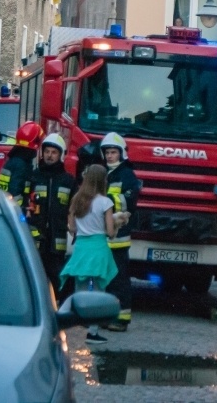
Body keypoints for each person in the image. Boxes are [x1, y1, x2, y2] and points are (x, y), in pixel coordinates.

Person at [59, 164, 119, 345]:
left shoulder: (77, 199)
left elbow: (72, 228)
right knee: (99, 291)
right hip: (99, 248)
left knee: (81, 289)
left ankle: (76, 325)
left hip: (82, 248)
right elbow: (110, 232)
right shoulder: (105, 202)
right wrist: (117, 224)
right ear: (102, 181)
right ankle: (93, 332)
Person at [100, 132, 140, 331]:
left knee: (119, 279)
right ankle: (106, 316)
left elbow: (128, 202)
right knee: (104, 279)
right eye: (107, 152)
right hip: (101, 234)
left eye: (113, 152)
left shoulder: (127, 175)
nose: (109, 156)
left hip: (119, 236)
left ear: (121, 153)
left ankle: (121, 319)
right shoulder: (102, 173)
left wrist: (104, 201)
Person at [28, 133, 76, 294]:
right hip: (36, 237)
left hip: (58, 239)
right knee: (34, 276)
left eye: (54, 152)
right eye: (47, 151)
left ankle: (58, 305)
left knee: (58, 278)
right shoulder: (34, 177)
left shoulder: (68, 181)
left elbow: (75, 208)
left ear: (61, 155)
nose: (49, 155)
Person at [0, 121, 45, 243]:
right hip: (15, 215)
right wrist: (23, 210)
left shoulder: (14, 161)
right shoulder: (21, 165)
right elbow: (15, 192)